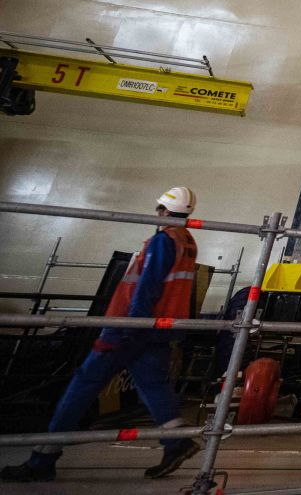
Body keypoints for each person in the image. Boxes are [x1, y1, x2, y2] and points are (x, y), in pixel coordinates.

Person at [2, 186, 203, 483]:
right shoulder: (187, 240)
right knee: (153, 386)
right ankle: (176, 441)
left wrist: (130, 327)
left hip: (131, 326)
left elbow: (146, 287)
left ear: (162, 209)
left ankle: (42, 458)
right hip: (159, 329)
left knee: (83, 385)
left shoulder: (163, 241)